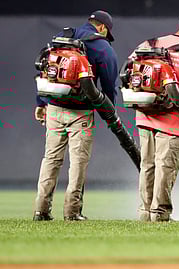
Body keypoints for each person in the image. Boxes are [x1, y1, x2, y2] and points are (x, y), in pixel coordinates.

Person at [33, 10, 118, 221]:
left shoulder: (63, 38)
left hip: (53, 108)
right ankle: (72, 211)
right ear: (102, 27)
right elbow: (108, 85)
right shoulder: (102, 46)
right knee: (78, 162)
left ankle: (40, 210)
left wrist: (41, 103)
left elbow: (46, 72)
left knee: (51, 159)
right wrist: (109, 112)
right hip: (81, 113)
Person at [129, 20, 179, 222]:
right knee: (166, 166)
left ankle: (145, 211)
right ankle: (160, 212)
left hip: (144, 115)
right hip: (172, 119)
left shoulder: (148, 44)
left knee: (147, 164)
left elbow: (128, 74)